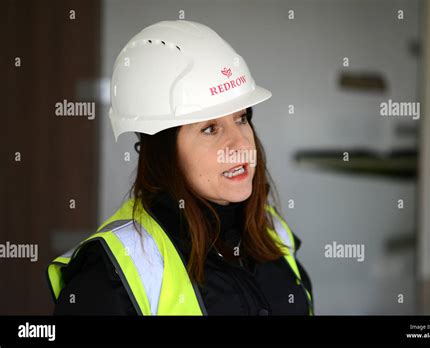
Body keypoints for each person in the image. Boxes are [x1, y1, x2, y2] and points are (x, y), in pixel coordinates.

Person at [46, 20, 314, 315]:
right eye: (210, 129)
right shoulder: (112, 274)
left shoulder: (273, 231)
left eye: (241, 118)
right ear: (164, 152)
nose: (240, 144)